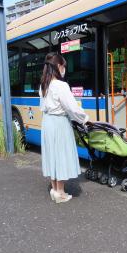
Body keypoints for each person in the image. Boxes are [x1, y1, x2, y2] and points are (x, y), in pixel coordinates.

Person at [39, 52, 90, 203]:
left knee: (52, 156)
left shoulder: (43, 85)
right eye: (64, 66)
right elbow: (72, 108)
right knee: (60, 155)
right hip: (59, 123)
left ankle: (55, 189)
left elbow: (42, 107)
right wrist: (85, 119)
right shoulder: (61, 85)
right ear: (59, 66)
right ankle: (60, 193)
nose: (64, 69)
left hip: (47, 122)